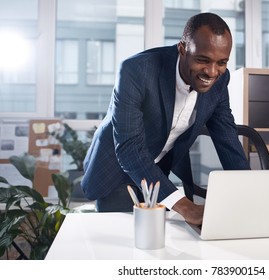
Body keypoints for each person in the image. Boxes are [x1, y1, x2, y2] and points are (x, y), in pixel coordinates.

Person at [81, 12, 250, 225]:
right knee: (125, 242)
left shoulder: (220, 79)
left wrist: (249, 193)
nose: (212, 71)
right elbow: (129, 149)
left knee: (158, 241)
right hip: (117, 171)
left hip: (158, 172)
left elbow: (227, 137)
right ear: (182, 48)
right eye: (202, 60)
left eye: (222, 62)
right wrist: (186, 207)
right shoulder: (137, 71)